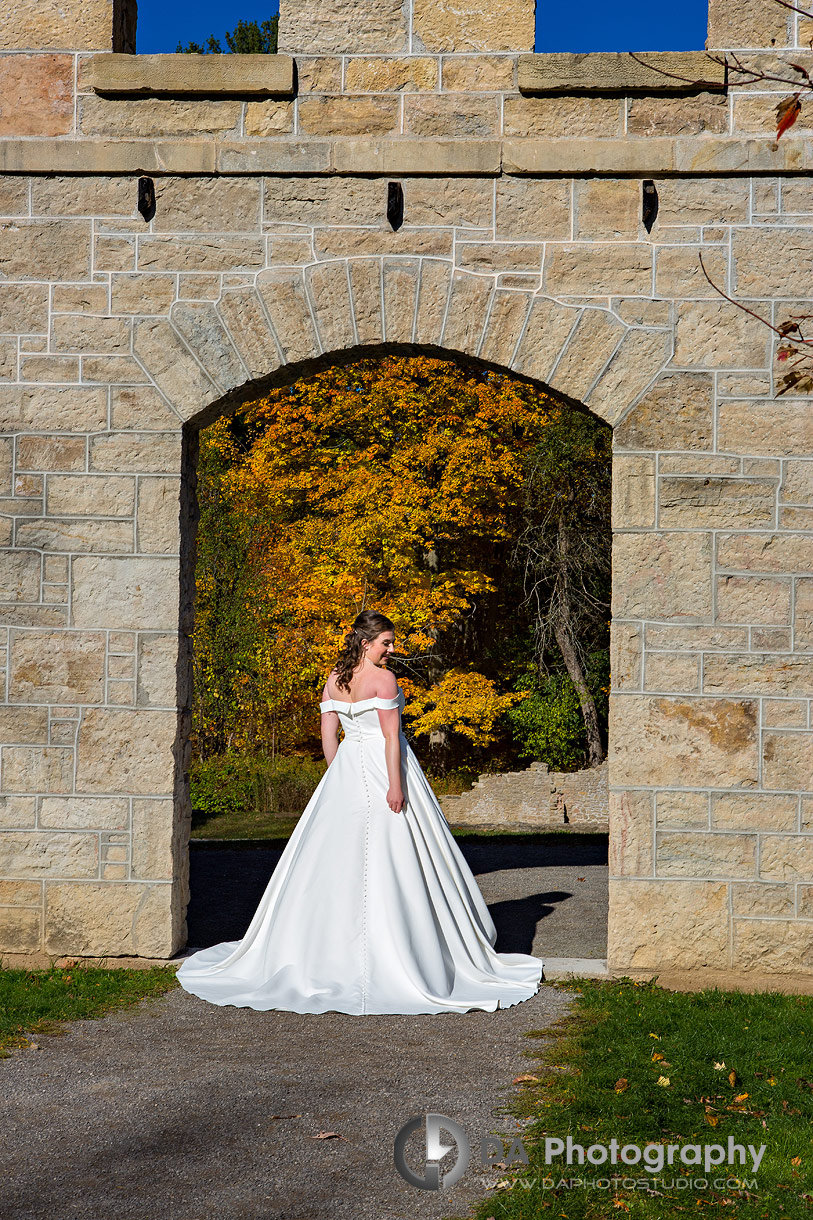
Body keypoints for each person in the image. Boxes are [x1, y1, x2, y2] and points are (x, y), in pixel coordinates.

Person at [176, 610, 544, 1014]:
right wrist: (396, 786)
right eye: (386, 642)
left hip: (348, 768)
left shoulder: (334, 679)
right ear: (366, 643)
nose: (391, 650)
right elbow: (390, 737)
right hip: (383, 769)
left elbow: (329, 735)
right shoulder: (384, 680)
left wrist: (339, 778)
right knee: (396, 853)